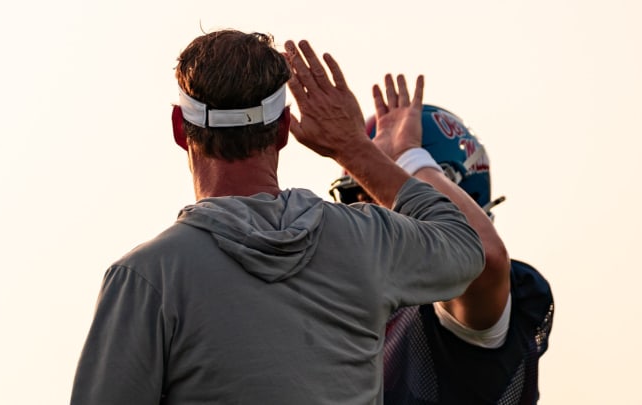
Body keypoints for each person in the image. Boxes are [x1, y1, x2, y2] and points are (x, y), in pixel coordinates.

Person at [70, 31, 486, 405]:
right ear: (284, 128)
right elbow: (467, 249)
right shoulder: (364, 241)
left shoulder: (147, 278)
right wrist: (353, 148)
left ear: (180, 128)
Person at [329, 78, 554, 404]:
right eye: (358, 198)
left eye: (379, 193)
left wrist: (408, 157)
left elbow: (481, 259)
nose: (367, 214)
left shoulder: (467, 301)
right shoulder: (354, 307)